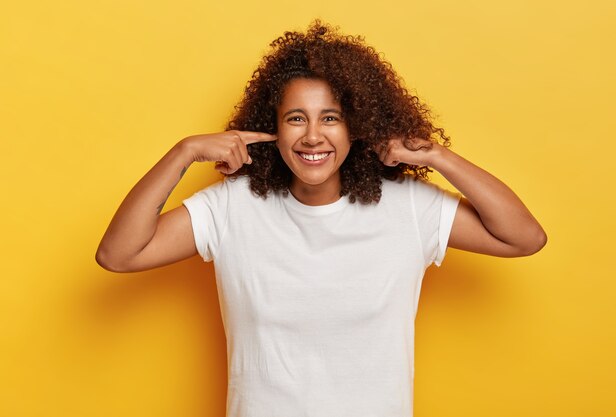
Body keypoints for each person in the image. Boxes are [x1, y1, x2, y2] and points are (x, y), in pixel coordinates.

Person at [96, 21, 546, 417]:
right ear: (271, 127)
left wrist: (438, 156)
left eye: (331, 117)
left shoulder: (408, 207)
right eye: (296, 118)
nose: (313, 135)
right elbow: (118, 254)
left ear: (357, 125)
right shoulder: (232, 207)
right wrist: (184, 152)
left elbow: (524, 238)